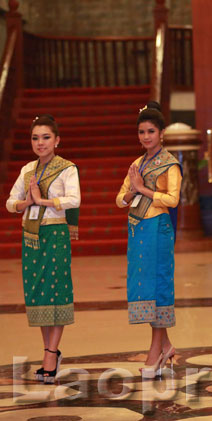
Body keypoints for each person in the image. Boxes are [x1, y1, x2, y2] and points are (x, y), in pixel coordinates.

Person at [6, 114, 81, 384]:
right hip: (31, 237)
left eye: (46, 137)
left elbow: (74, 199)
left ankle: (51, 353)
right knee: (38, 293)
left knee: (56, 291)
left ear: (57, 140)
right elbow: (9, 203)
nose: (40, 143)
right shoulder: (27, 170)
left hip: (55, 234)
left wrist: (43, 200)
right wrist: (26, 203)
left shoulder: (66, 169)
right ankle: (49, 351)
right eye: (36, 138)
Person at [116, 101, 182, 378]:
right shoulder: (136, 164)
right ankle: (165, 345)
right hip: (138, 230)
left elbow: (173, 199)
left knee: (158, 287)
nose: (146, 137)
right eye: (142, 132)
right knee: (144, 288)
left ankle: (155, 350)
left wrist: (143, 189)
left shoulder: (170, 164)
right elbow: (119, 200)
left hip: (158, 227)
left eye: (151, 131)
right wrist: (133, 191)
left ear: (161, 133)